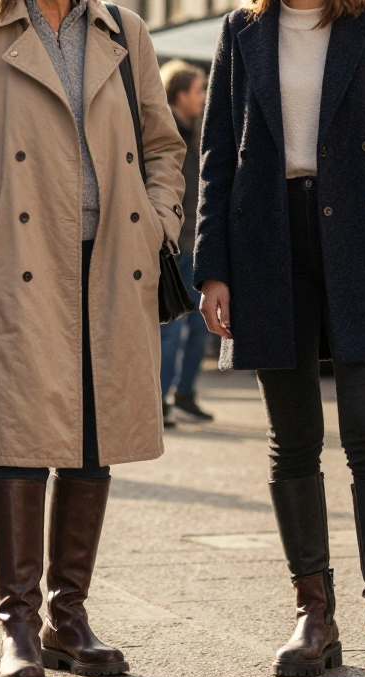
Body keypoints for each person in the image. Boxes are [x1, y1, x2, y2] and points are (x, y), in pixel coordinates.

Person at [0, 0, 186, 677]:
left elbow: (164, 145)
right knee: (16, 434)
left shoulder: (125, 31)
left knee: (94, 435)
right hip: (15, 259)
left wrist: (158, 224)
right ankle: (18, 625)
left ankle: (67, 619)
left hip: (112, 260)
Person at [195, 0, 365, 677]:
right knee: (294, 436)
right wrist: (211, 266)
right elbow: (217, 153)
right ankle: (315, 615)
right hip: (268, 242)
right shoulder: (242, 29)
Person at [158, 59, 213, 427]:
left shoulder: (194, 129)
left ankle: (184, 395)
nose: (204, 96)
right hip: (174, 243)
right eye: (199, 89)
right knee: (172, 327)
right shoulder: (168, 132)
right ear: (180, 94)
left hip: (192, 239)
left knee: (195, 326)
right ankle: (160, 402)